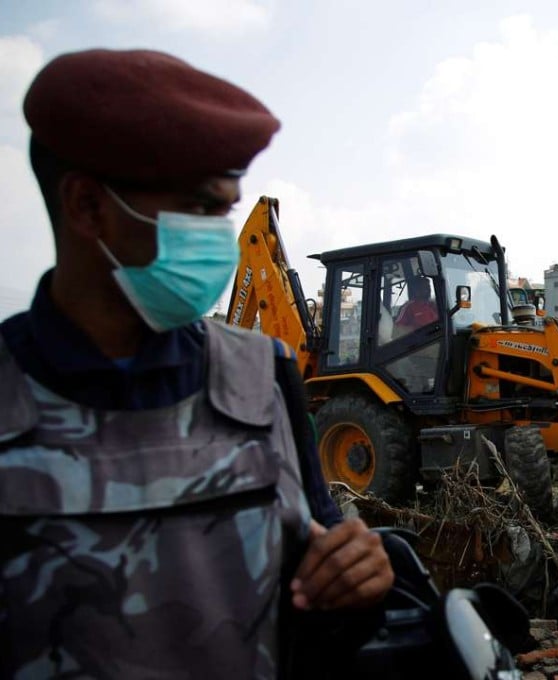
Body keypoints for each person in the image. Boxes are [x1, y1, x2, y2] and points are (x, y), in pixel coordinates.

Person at [0, 48, 393, 678]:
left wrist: (360, 584)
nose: (219, 239)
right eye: (201, 210)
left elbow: (315, 601)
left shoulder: (263, 378)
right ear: (86, 206)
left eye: (227, 211)